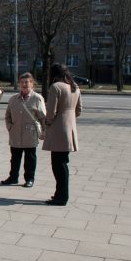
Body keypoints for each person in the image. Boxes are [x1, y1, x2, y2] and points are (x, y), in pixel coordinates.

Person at [43, 63, 82, 206]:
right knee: (63, 163)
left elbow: (51, 112)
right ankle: (60, 194)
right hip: (70, 128)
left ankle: (61, 196)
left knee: (58, 165)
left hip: (58, 129)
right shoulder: (74, 86)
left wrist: (47, 122)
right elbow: (79, 110)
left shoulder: (56, 87)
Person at [1, 73, 46, 188]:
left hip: (30, 134)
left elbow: (43, 117)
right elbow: (7, 116)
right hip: (15, 133)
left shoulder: (37, 98)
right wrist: (10, 127)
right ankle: (13, 177)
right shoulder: (13, 99)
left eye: (27, 82)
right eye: (22, 82)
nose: (24, 85)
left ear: (32, 84)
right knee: (15, 158)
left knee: (30, 159)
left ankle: (29, 179)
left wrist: (44, 132)